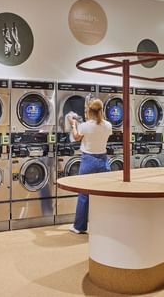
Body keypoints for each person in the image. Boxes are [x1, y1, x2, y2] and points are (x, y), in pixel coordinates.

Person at [67, 98, 112, 234]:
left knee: (84, 195)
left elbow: (76, 137)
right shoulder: (108, 125)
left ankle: (79, 227)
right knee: (103, 195)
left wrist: (73, 124)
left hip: (89, 161)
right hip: (103, 161)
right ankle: (103, 225)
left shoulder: (85, 126)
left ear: (88, 111)